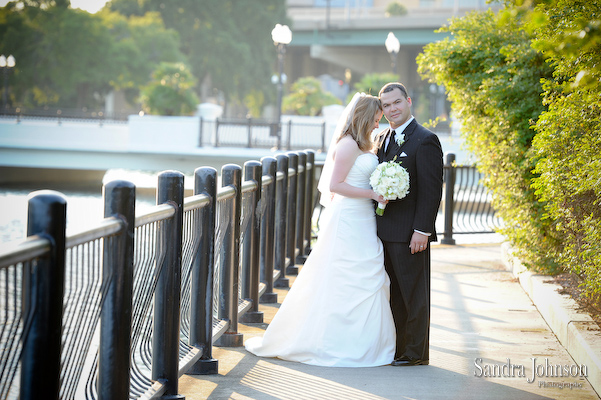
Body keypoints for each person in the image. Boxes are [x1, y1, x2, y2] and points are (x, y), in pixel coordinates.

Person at [244, 93, 396, 367]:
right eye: (375, 120)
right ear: (363, 117)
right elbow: (335, 186)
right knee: (340, 276)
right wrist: (372, 194)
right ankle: (329, 341)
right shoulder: (348, 145)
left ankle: (364, 342)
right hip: (348, 219)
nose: (377, 125)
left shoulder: (364, 146)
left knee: (366, 274)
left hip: (363, 218)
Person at [375, 82, 443, 367]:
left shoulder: (425, 139)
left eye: (396, 103)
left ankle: (415, 353)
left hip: (409, 234)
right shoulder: (381, 138)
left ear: (408, 101)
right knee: (392, 296)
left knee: (413, 294)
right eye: (386, 105)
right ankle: (397, 348)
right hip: (381, 233)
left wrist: (422, 231)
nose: (392, 109)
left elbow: (431, 190)